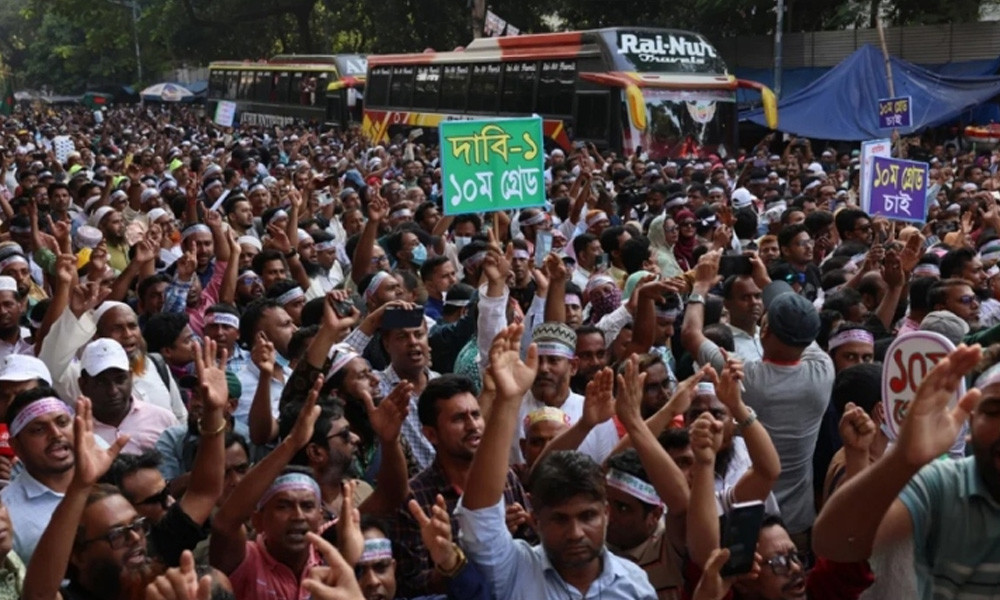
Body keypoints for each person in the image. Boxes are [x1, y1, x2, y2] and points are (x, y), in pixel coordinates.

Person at [454, 324, 656, 599]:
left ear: (606, 514)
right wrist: (507, 401)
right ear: (536, 520)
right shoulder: (515, 571)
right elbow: (480, 515)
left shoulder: (634, 585)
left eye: (588, 516)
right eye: (559, 519)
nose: (575, 533)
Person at [813, 344, 1000, 598]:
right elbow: (836, 542)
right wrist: (904, 458)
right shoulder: (943, 484)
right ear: (971, 424)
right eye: (994, 411)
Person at [682, 250, 834, 543]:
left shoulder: (744, 378)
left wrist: (699, 287)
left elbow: (690, 334)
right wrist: (766, 283)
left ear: (764, 330)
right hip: (798, 520)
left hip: (748, 518)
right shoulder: (823, 369)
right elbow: (800, 322)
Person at [394, 374, 534, 597]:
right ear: (431, 434)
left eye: (476, 415)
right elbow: (411, 585)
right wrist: (460, 552)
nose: (472, 426)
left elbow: (534, 551)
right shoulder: (414, 499)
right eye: (458, 419)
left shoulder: (505, 478)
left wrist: (523, 526)